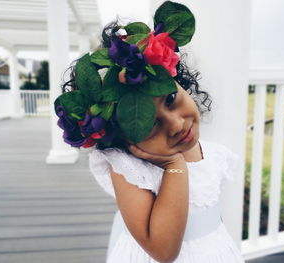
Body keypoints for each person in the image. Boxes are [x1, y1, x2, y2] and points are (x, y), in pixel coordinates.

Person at [54, 1, 245, 262]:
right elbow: (163, 250)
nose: (176, 124)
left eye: (170, 100)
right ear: (121, 138)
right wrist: (173, 163)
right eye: (152, 124)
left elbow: (210, 214)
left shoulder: (213, 155)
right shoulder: (130, 168)